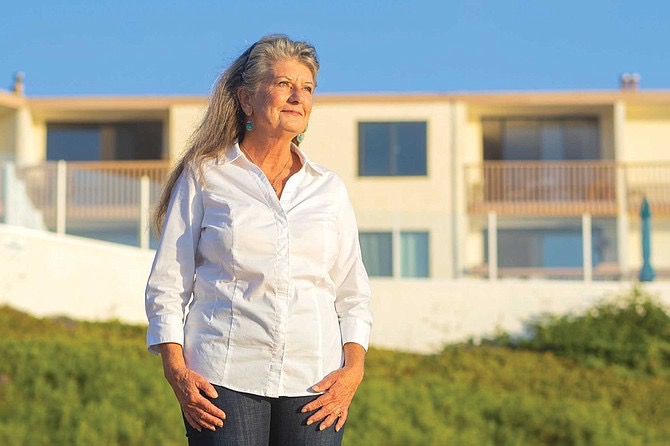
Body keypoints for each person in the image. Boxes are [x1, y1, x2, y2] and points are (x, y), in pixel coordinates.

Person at [145, 34, 373, 446]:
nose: (297, 97)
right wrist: (175, 370)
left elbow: (352, 292)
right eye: (284, 84)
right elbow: (168, 283)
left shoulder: (328, 189)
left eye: (307, 88)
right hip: (222, 377)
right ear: (247, 99)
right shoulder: (206, 175)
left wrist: (352, 371)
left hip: (317, 381)